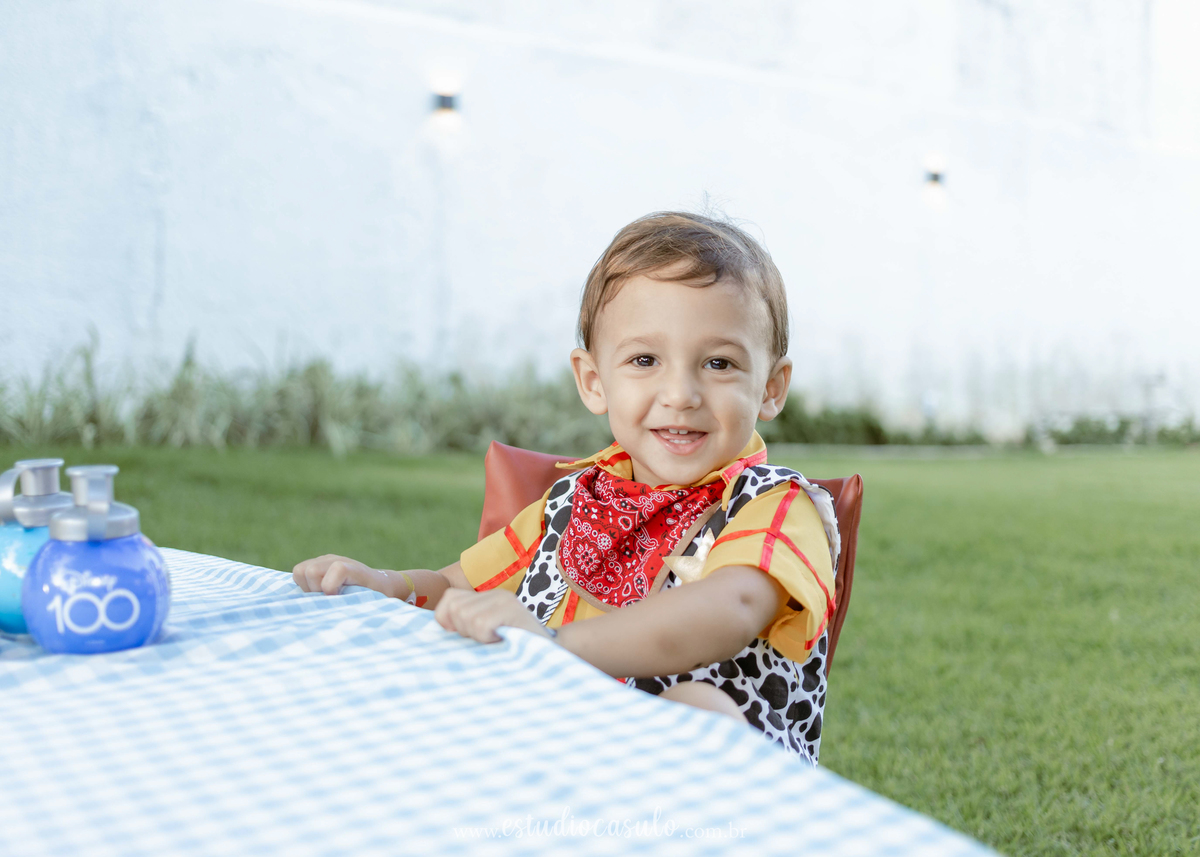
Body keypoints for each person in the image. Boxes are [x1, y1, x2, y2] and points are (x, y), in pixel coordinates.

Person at [292, 212, 840, 761]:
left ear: (771, 388)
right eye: (644, 359)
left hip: (705, 787)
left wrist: (553, 646)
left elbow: (729, 608)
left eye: (719, 363)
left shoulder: (775, 507)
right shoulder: (572, 500)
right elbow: (457, 588)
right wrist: (387, 585)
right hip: (559, 758)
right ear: (594, 381)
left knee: (696, 704)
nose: (680, 394)